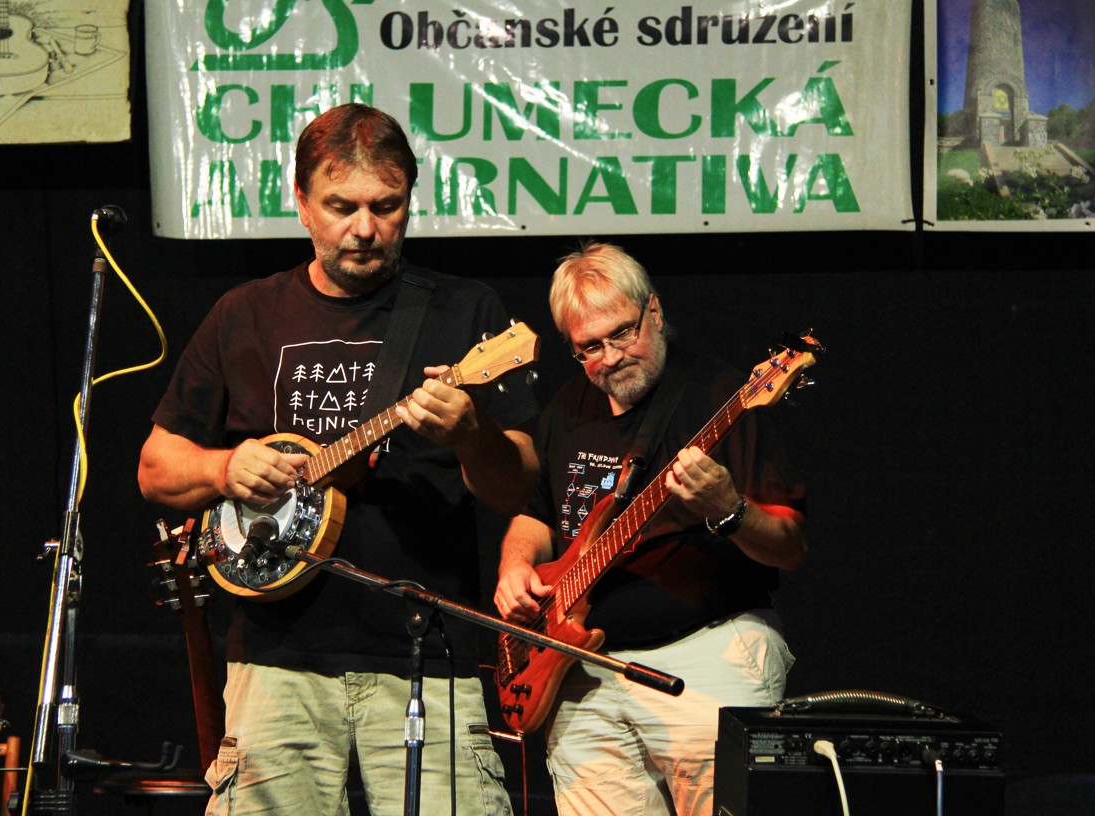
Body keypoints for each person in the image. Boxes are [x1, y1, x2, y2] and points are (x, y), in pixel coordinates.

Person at [138, 103, 537, 816]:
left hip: (424, 657)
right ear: (301, 202)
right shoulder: (244, 313)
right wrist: (223, 469)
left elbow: (520, 488)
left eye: (386, 206)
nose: (364, 228)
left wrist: (471, 434)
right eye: (340, 206)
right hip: (274, 660)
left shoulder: (464, 310)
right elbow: (155, 467)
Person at [494, 241, 808, 816]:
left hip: (704, 661)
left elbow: (790, 547)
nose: (611, 357)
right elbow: (534, 513)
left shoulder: (725, 398)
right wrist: (515, 566)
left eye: (622, 333)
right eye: (590, 347)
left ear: (654, 312)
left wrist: (729, 508)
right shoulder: (568, 407)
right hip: (583, 675)